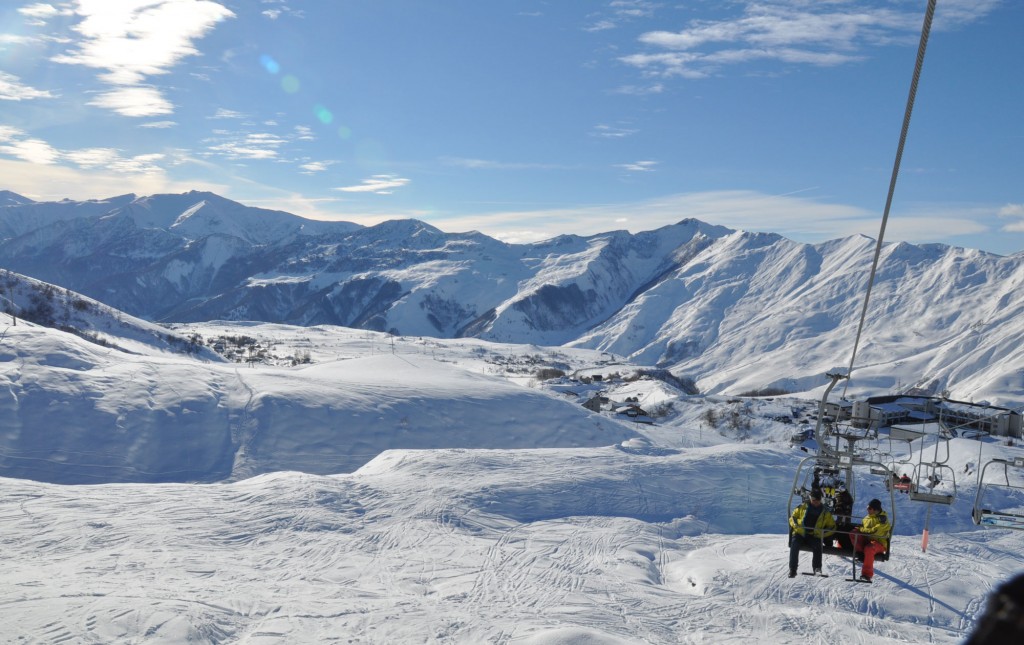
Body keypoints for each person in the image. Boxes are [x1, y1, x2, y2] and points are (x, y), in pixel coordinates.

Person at [788, 489, 836, 577]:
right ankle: (793, 569)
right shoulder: (802, 507)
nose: (816, 502)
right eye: (814, 500)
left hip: (813, 535)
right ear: (810, 499)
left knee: (818, 546)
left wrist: (822, 533)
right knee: (794, 544)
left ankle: (817, 568)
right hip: (800, 533)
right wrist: (797, 525)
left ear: (820, 500)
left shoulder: (825, 512)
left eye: (818, 500)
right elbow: (793, 517)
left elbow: (832, 526)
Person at [851, 498, 890, 582]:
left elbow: (874, 532)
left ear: (876, 510)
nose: (867, 510)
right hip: (868, 540)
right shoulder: (866, 518)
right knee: (853, 533)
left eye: (869, 508)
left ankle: (866, 575)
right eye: (867, 507)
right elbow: (865, 530)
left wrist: (862, 530)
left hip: (879, 543)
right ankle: (861, 554)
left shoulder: (883, 520)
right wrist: (860, 529)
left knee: (869, 548)